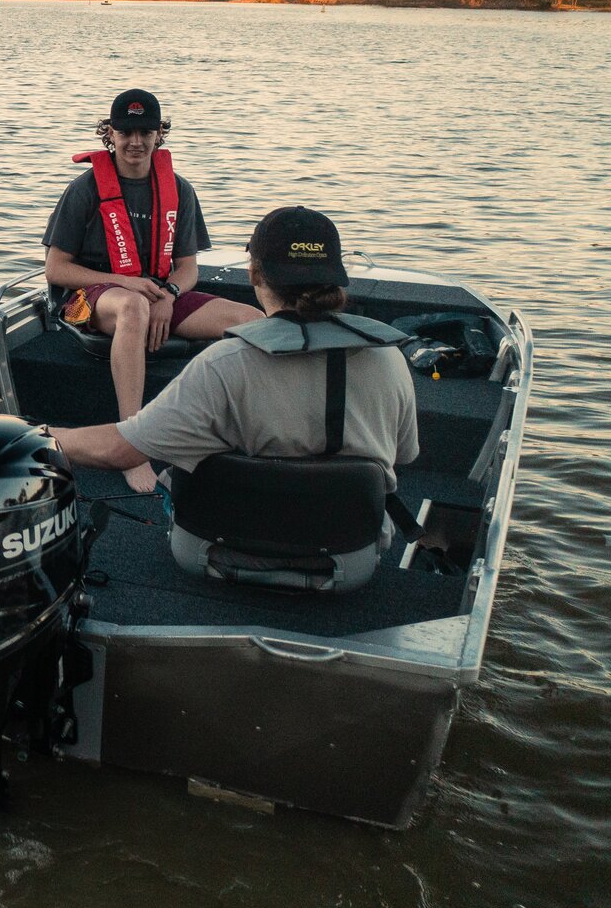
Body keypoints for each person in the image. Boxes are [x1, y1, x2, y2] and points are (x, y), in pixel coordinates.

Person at [50, 207, 421, 592]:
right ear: (335, 277)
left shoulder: (222, 364)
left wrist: (34, 433)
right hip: (349, 564)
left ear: (255, 274)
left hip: (212, 556)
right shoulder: (388, 359)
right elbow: (404, 454)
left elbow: (118, 451)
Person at [41, 88, 260, 492]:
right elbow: (56, 268)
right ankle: (133, 446)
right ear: (110, 133)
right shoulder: (85, 189)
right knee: (134, 309)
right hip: (90, 300)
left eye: (146, 132)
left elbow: (187, 268)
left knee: (253, 321)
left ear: (160, 134)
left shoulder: (179, 188)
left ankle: (245, 431)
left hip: (157, 294)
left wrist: (170, 295)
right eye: (126, 132)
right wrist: (128, 285)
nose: (136, 142)